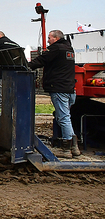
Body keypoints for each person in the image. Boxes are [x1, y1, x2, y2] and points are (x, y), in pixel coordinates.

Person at [28, 29, 79, 158]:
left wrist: (27, 66)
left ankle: (66, 150)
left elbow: (41, 60)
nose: (48, 40)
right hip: (70, 88)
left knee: (63, 118)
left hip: (59, 88)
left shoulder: (56, 49)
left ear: (56, 38)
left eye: (49, 38)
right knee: (66, 117)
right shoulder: (69, 49)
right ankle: (74, 148)